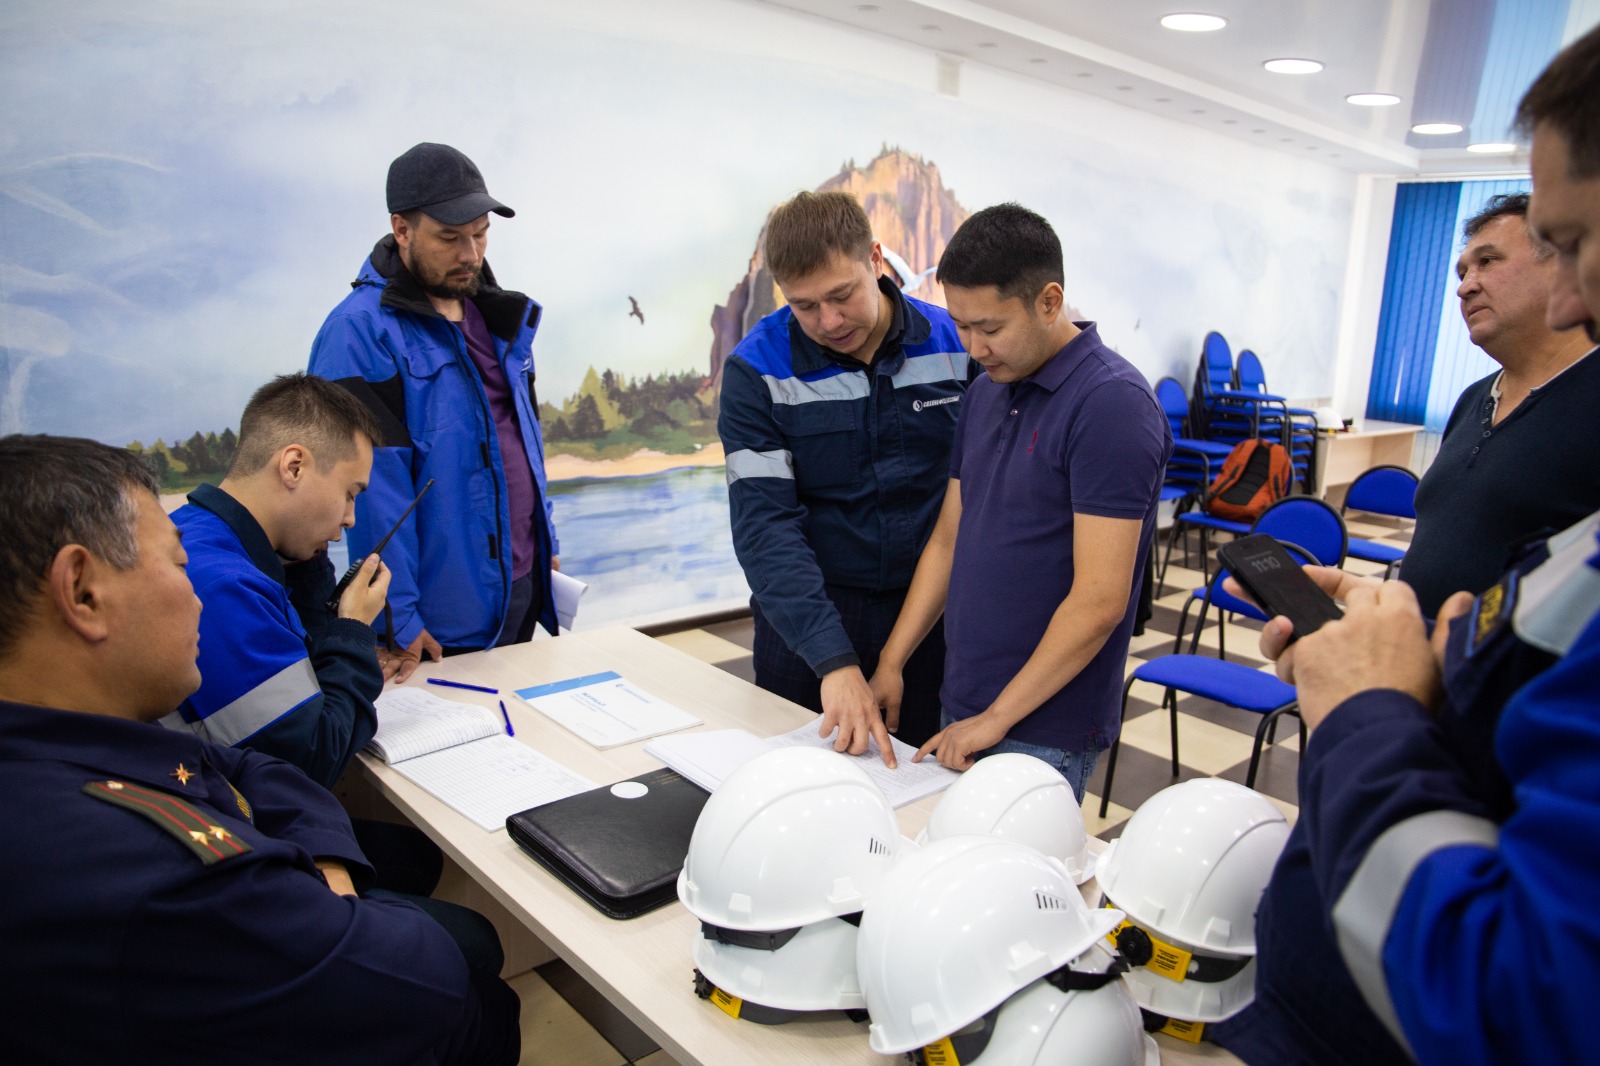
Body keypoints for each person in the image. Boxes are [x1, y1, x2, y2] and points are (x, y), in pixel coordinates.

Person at [1216, 27, 1600, 1066]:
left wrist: (1369, 707)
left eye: (1567, 243)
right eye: (1458, 264)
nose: (1465, 282)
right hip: (1400, 782)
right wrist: (1384, 628)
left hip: (1448, 824)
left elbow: (1520, 996)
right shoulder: (1474, 399)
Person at [0, 434, 519, 1064]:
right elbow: (422, 977)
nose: (197, 596)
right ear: (83, 591)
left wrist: (327, 877)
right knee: (479, 982)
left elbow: (246, 764)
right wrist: (329, 908)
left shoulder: (67, 739)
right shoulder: (149, 871)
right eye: (178, 566)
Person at [867, 203, 1171, 797]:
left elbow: (1101, 600)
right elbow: (948, 540)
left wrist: (996, 719)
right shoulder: (986, 392)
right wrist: (892, 661)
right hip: (966, 699)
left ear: (1049, 302)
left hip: (1043, 725)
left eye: (990, 327)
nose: (974, 346)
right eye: (962, 326)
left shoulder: (1112, 405)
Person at [718, 190, 972, 756]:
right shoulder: (756, 371)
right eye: (805, 306)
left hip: (933, 614)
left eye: (841, 295)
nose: (829, 322)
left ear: (875, 260)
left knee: (925, 782)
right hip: (810, 616)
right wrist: (832, 660)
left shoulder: (956, 345)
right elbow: (765, 527)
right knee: (799, 780)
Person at [310, 142, 557, 681]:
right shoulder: (358, 333)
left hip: (521, 585)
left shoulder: (502, 318)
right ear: (402, 229)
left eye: (480, 234)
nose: (470, 253)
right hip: (437, 621)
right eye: (450, 237)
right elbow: (369, 490)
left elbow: (523, 441)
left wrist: (547, 543)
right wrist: (395, 616)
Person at [161, 373, 389, 789]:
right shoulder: (223, 586)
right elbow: (310, 762)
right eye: (350, 493)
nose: (350, 518)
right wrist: (354, 629)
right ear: (294, 466)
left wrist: (307, 569)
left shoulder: (201, 538)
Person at [1399, 192, 1600, 617]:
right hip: (1420, 650)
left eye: (1487, 262)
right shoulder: (1474, 399)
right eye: (1462, 272)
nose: (1465, 286)